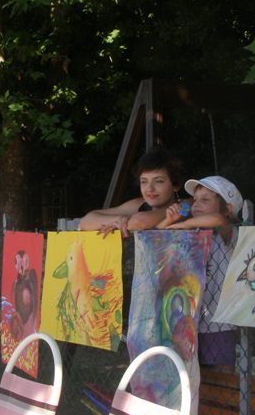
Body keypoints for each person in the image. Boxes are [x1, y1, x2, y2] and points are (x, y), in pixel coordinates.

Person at [158, 175, 245, 370]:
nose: (196, 204)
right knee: (188, 373)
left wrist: (183, 223)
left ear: (228, 208)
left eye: (205, 200)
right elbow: (157, 238)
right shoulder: (191, 232)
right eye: (195, 200)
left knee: (220, 374)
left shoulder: (228, 234)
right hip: (186, 321)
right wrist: (170, 220)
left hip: (218, 323)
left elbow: (219, 219)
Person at [79, 149, 184, 236]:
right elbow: (85, 221)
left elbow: (140, 221)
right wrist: (118, 220)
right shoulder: (140, 204)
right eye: (144, 182)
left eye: (159, 181)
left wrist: (122, 223)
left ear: (176, 185)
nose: (150, 188)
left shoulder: (186, 206)